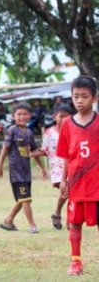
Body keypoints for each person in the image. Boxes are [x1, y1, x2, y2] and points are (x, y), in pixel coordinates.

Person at [56, 76, 99, 275]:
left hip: (96, 185)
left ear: (95, 98)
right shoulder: (66, 124)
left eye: (85, 96)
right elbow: (65, 155)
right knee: (74, 222)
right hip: (76, 183)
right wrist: (63, 180)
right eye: (76, 96)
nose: (80, 100)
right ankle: (76, 261)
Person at [0, 102, 47, 234]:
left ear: (29, 116)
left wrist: (42, 168)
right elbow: (5, 148)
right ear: (13, 116)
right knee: (25, 199)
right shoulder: (12, 130)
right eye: (19, 114)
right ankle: (32, 225)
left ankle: (8, 221)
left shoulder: (29, 132)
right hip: (16, 171)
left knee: (23, 198)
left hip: (26, 171)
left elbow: (34, 152)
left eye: (25, 114)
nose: (22, 117)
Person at [38, 103, 74, 230]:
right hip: (57, 166)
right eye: (61, 116)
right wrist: (32, 153)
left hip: (71, 165)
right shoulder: (49, 133)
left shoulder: (74, 131)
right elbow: (44, 151)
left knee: (71, 192)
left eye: (67, 117)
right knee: (67, 191)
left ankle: (59, 214)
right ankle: (65, 216)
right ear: (54, 116)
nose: (64, 119)